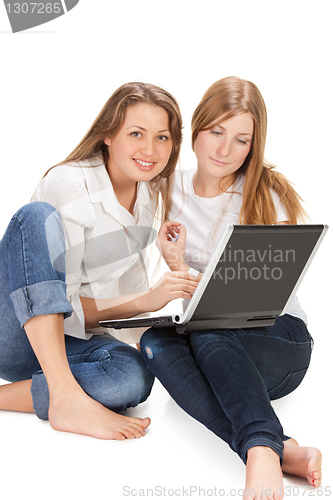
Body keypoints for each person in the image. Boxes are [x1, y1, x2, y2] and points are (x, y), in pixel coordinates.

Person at [140, 77, 322, 499]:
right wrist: (176, 265)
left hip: (280, 341)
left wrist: (190, 274)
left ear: (253, 146)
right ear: (196, 130)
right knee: (154, 342)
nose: (224, 150)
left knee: (211, 320)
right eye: (216, 132)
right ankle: (284, 449)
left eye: (240, 140)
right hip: (217, 351)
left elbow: (260, 300)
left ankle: (259, 446)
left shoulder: (267, 193)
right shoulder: (168, 187)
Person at [0, 82, 198, 440]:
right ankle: (64, 395)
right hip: (15, 332)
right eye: (136, 133)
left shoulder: (148, 193)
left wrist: (145, 337)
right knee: (35, 216)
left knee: (132, 377)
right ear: (108, 134)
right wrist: (147, 300)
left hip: (64, 346)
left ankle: (55, 394)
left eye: (162, 137)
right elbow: (63, 305)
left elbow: (129, 282)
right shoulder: (72, 184)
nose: (150, 150)